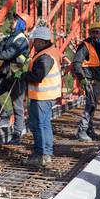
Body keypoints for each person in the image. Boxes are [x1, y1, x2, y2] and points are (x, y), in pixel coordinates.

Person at [0, 13, 32, 144]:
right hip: (6, 76)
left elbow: (9, 54)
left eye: (15, 20)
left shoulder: (21, 40)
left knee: (17, 107)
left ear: (21, 24)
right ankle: (4, 116)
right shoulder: (11, 37)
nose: (12, 21)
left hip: (17, 77)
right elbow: (0, 48)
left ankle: (17, 135)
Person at [16, 26, 62, 167]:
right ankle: (46, 154)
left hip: (42, 95)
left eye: (35, 41)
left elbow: (37, 76)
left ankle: (40, 155)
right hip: (45, 95)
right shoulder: (50, 51)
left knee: (39, 125)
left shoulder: (45, 57)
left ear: (41, 41)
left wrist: (23, 75)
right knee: (44, 124)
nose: (33, 43)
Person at [73, 22, 100, 141]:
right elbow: (76, 63)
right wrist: (82, 80)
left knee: (93, 106)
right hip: (88, 80)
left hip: (96, 79)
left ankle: (89, 130)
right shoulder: (85, 46)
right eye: (93, 32)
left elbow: (98, 64)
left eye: (98, 32)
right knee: (90, 105)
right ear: (90, 33)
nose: (95, 35)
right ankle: (82, 131)